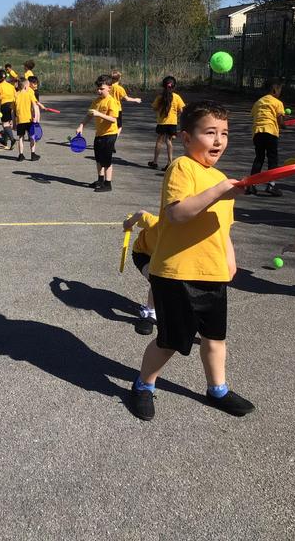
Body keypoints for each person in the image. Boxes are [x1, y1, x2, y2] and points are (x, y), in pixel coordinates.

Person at [131, 100, 254, 422]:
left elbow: (223, 227)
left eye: (224, 133)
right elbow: (177, 213)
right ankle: (144, 384)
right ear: (186, 138)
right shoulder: (182, 167)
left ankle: (218, 389)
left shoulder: (222, 178)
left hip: (212, 275)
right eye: (210, 132)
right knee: (170, 342)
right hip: (176, 274)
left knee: (215, 340)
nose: (219, 140)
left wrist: (229, 258)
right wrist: (218, 191)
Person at [76, 74, 119, 192]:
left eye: (102, 89)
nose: (99, 91)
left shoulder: (111, 101)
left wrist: (99, 114)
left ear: (109, 88)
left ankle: (108, 184)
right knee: (99, 159)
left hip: (110, 134)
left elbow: (113, 119)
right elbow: (89, 115)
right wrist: (81, 126)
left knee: (107, 160)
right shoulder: (96, 101)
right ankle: (100, 180)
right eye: (98, 89)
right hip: (99, 134)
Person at [247, 77, 285, 196]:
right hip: (270, 132)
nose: (280, 93)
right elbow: (280, 122)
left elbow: (254, 115)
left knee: (259, 158)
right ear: (274, 90)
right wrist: (284, 125)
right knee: (272, 159)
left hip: (257, 132)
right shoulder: (278, 103)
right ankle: (271, 185)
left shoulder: (258, 102)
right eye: (279, 90)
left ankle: (251, 185)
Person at [122, 210, 159, 335]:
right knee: (156, 279)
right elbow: (140, 214)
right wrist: (128, 223)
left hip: (161, 257)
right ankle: (150, 312)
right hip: (142, 254)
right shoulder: (154, 223)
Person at [148, 76, 185, 171]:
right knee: (169, 141)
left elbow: (154, 108)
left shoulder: (160, 97)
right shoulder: (177, 97)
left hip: (162, 122)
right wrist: (177, 116)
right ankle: (169, 162)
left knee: (159, 141)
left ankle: (155, 162)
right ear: (174, 86)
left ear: (163, 86)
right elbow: (181, 110)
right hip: (172, 123)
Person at [12, 77, 40, 162]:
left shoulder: (15, 95)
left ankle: (20, 155)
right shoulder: (29, 94)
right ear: (25, 86)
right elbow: (35, 106)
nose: (29, 87)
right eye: (28, 86)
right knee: (32, 137)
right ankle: (33, 154)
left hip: (20, 120)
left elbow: (13, 111)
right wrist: (35, 118)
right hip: (29, 119)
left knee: (21, 138)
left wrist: (14, 123)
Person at [110, 70, 142, 137]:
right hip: (117, 109)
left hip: (109, 108)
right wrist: (135, 99)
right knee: (119, 127)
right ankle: (113, 139)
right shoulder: (120, 88)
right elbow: (127, 99)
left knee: (110, 125)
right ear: (119, 78)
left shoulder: (108, 87)